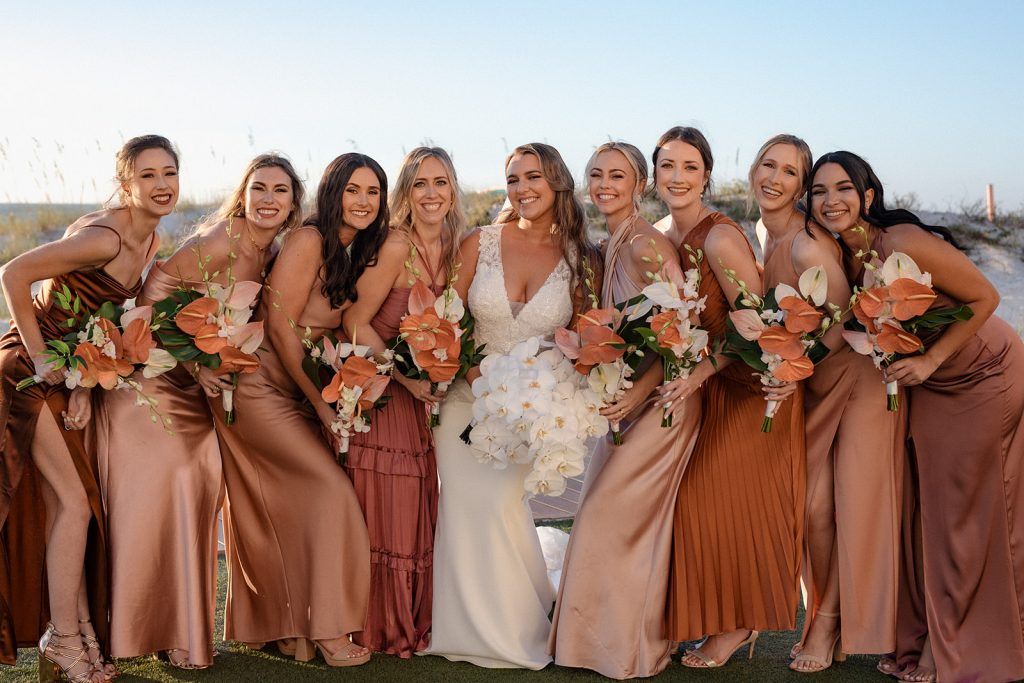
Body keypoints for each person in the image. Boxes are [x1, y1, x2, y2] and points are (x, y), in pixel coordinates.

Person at [810, 150, 1024, 683]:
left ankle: (954, 646)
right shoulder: (842, 258)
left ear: (868, 196)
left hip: (983, 372)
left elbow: (985, 296)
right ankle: (927, 631)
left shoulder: (899, 241)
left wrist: (928, 358)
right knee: (923, 508)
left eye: (842, 188)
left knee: (962, 513)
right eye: (818, 191)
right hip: (929, 386)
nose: (830, 200)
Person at [95, 153, 304, 669]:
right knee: (176, 486)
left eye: (280, 191)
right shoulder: (222, 241)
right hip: (157, 382)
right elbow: (149, 301)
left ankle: (182, 634)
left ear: (294, 201)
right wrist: (193, 364)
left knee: (199, 488)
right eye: (259, 188)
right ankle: (139, 630)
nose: (268, 200)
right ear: (244, 194)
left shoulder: (272, 249)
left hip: (198, 388)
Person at [0, 134, 175, 682]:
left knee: (69, 504)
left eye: (170, 172)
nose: (162, 184)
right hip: (24, 372)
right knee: (74, 503)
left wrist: (82, 383)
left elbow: (97, 323)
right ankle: (65, 639)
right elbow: (13, 273)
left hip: (62, 371)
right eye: (148, 175)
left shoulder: (151, 240)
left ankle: (74, 632)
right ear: (127, 183)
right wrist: (42, 361)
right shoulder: (104, 238)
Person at [212, 153, 388, 667]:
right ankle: (329, 632)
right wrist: (322, 403)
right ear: (332, 192)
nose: (363, 201)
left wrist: (394, 373)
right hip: (258, 384)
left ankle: (289, 631)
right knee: (330, 493)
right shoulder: (309, 240)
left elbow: (342, 327)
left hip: (296, 386)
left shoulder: (357, 247)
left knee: (290, 509)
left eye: (373, 192)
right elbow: (282, 326)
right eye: (353, 190)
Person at [424, 143, 592, 669]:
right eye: (513, 179)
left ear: (557, 182)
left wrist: (545, 391)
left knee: (502, 507)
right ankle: (469, 627)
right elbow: (448, 321)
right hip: (466, 397)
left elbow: (583, 338)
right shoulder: (481, 242)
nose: (522, 188)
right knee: (469, 505)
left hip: (532, 407)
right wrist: (481, 381)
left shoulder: (580, 257)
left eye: (533, 177)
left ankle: (517, 620)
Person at [656, 126, 805, 668]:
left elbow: (756, 325)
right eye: (667, 166)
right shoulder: (659, 233)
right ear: (654, 173)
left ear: (707, 176)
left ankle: (741, 624)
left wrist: (701, 372)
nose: (677, 177)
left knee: (728, 507)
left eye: (690, 167)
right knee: (698, 508)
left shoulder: (719, 237)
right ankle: (706, 619)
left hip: (750, 388)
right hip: (708, 389)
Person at [756, 136, 904, 673]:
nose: (775, 179)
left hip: (855, 378)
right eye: (767, 166)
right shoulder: (763, 234)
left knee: (843, 505)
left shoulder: (808, 245)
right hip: (812, 384)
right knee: (813, 506)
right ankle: (825, 611)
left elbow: (844, 325)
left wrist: (791, 369)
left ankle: (827, 619)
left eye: (791, 173)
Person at [548, 142, 696, 679]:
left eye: (617, 175)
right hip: (625, 403)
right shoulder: (614, 242)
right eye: (596, 174)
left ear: (640, 183)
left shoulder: (647, 245)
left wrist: (640, 393)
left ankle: (624, 648)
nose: (604, 183)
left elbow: (682, 335)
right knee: (608, 519)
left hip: (662, 406)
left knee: (607, 520)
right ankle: (598, 643)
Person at [340, 147, 465, 656]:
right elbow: (354, 321)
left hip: (424, 397)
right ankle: (379, 626)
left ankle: (415, 617)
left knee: (417, 508)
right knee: (387, 508)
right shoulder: (394, 245)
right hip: (385, 391)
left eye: (440, 182)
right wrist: (403, 373)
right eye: (420, 184)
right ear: (406, 194)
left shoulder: (458, 247)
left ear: (453, 189)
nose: (431, 193)